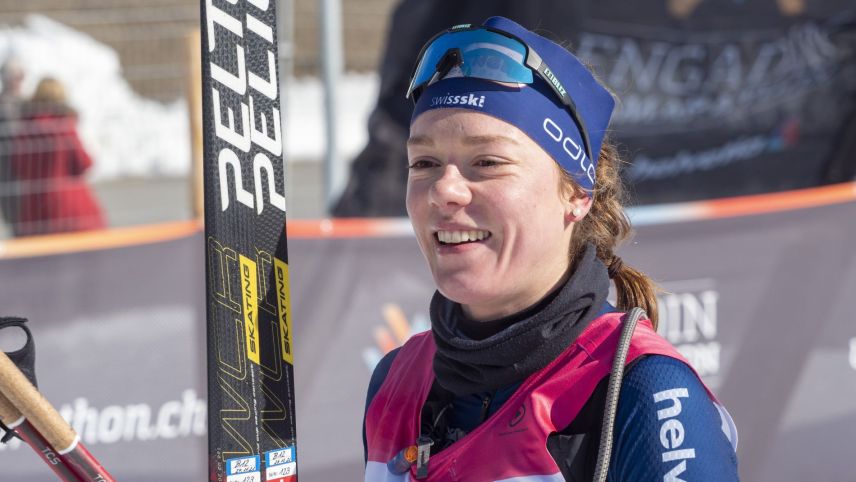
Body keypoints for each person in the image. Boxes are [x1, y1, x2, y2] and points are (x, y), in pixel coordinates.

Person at [363, 17, 739, 481]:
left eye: (487, 162)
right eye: (424, 163)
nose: (445, 190)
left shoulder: (642, 389)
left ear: (577, 193)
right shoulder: (396, 380)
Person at [10, 77, 105, 236]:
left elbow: (17, 165)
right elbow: (84, 163)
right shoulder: (64, 126)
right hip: (70, 210)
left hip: (35, 210)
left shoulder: (24, 129)